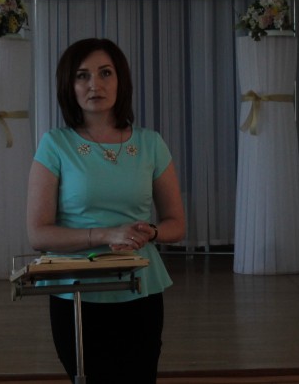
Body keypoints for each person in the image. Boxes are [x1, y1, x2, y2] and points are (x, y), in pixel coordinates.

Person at [26, 38, 186, 383]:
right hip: (76, 291)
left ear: (120, 80)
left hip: (139, 286)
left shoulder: (151, 143)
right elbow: (38, 233)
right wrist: (105, 234)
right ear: (69, 86)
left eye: (105, 73)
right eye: (82, 75)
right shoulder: (55, 144)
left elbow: (176, 224)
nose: (94, 84)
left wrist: (151, 232)